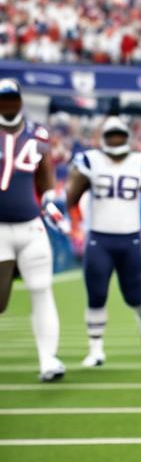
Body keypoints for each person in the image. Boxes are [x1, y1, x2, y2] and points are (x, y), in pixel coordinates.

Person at [65, 116, 141, 366]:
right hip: (99, 238)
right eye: (112, 136)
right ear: (104, 138)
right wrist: (74, 222)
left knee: (134, 295)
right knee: (96, 294)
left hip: (130, 240)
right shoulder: (90, 161)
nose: (116, 141)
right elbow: (71, 196)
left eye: (120, 135)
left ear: (127, 137)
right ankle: (95, 349)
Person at [0, 78, 67, 381]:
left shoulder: (38, 134)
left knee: (42, 291)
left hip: (30, 225)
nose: (9, 105)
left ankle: (48, 361)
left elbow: (45, 174)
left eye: (12, 99)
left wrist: (50, 199)